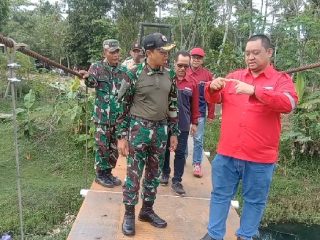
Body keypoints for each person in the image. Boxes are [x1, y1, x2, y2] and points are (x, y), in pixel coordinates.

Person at [200, 34, 298, 240]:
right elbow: (214, 98)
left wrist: (255, 91)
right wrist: (212, 87)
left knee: (254, 200)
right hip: (228, 153)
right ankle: (214, 234)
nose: (250, 57)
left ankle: (245, 235)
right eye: (247, 53)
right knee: (220, 195)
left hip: (260, 157)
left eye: (256, 53)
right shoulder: (234, 76)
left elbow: (288, 103)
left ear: (269, 53)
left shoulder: (280, 80)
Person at [116, 32, 178, 236]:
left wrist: (174, 133)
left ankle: (147, 210)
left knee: (153, 174)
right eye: (162, 51)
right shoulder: (133, 74)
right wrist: (122, 136)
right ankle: (129, 214)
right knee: (134, 173)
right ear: (149, 53)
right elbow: (122, 107)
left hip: (161, 131)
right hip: (138, 130)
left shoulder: (170, 74)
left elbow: (172, 104)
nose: (166, 55)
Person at [79, 39, 129, 188]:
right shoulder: (97, 67)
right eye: (112, 52)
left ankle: (108, 173)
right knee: (102, 146)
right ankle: (100, 175)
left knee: (113, 148)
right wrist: (87, 77)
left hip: (117, 118)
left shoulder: (123, 71)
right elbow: (92, 82)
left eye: (117, 51)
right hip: (102, 117)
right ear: (105, 52)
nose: (115, 55)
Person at [160, 50, 200, 196]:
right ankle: (165, 173)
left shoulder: (192, 83)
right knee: (164, 150)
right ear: (174, 64)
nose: (182, 69)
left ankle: (177, 180)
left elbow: (195, 105)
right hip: (165, 122)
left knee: (180, 153)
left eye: (185, 66)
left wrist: (195, 122)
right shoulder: (166, 79)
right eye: (180, 65)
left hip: (183, 124)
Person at [186, 47, 215, 178]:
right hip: (184, 111)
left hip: (200, 111)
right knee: (183, 137)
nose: (196, 60)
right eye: (194, 57)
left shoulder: (207, 75)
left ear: (202, 60)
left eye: (199, 58)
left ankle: (197, 163)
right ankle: (182, 158)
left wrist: (211, 113)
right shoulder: (184, 72)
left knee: (198, 138)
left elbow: (212, 95)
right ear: (190, 58)